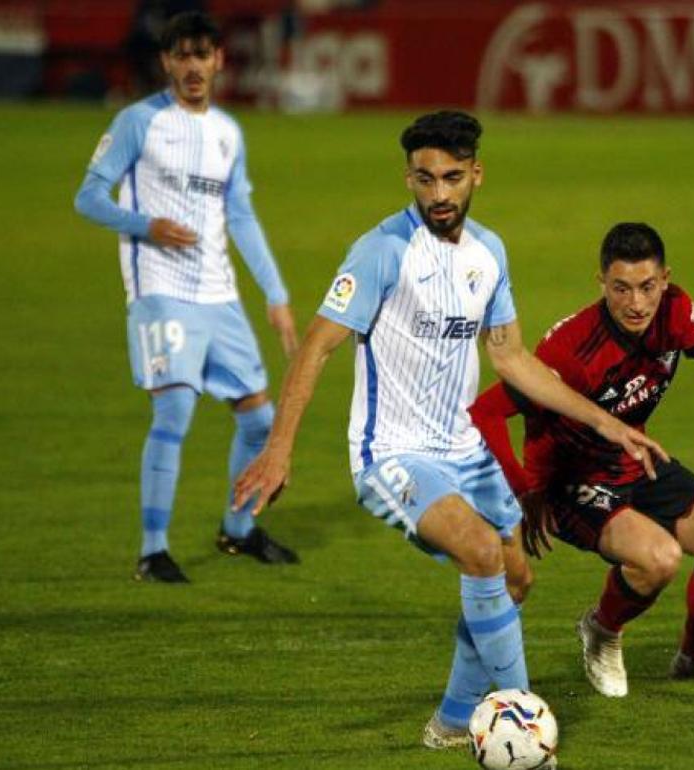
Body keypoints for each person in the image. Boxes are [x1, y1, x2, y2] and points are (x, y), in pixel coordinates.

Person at [229, 111, 666, 748]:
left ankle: (455, 722)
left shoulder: (489, 254)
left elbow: (512, 358)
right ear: (408, 177)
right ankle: (525, 726)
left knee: (514, 579)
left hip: (466, 450)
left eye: (452, 178)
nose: (438, 193)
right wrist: (278, 449)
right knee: (481, 552)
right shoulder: (382, 252)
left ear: (475, 175)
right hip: (393, 454)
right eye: (425, 178)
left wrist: (608, 423)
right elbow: (317, 346)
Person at [468, 223, 694, 698]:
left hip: (634, 457)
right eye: (621, 289)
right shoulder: (571, 351)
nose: (636, 303)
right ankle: (601, 630)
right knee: (658, 560)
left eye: (647, 287)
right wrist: (524, 490)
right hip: (567, 481)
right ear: (601, 283)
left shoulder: (674, 309)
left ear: (665, 280)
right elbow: (486, 412)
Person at [74, 11, 301, 583]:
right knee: (175, 409)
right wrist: (145, 225)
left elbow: (241, 215)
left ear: (219, 60)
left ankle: (238, 530)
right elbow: (89, 196)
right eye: (182, 55)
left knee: (259, 419)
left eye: (203, 54)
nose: (193, 66)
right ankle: (153, 551)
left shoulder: (227, 132)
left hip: (219, 294)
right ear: (166, 62)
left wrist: (275, 294)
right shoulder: (139, 122)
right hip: (161, 289)